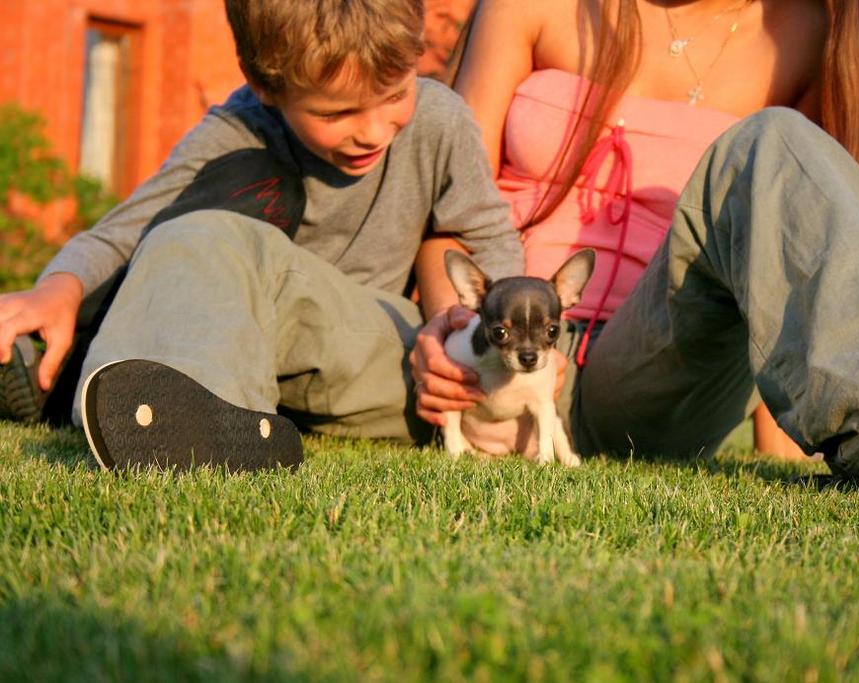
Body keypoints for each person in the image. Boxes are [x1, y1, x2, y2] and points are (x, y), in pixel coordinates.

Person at [408, 0, 859, 502]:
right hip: (502, 341)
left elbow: (796, 250)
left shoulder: (801, 31)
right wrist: (453, 330)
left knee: (774, 139)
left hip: (658, 370)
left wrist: (781, 446)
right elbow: (450, 211)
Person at [0, 0, 522, 468]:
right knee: (186, 236)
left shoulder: (440, 120)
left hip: (378, 349)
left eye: (396, 94)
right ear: (265, 87)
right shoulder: (239, 129)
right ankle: (181, 410)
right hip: (254, 355)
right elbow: (127, 227)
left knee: (203, 240)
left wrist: (471, 338)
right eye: (336, 112)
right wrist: (58, 288)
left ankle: (105, 381)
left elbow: (489, 239)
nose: (373, 130)